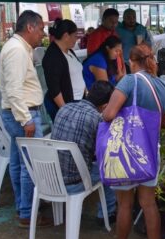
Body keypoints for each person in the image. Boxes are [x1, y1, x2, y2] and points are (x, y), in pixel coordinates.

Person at [102, 43, 165, 239]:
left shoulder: (129, 82)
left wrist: (107, 108)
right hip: (149, 151)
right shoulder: (162, 86)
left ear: (131, 62)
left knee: (124, 204)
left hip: (125, 151)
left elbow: (109, 115)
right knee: (148, 204)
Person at [0, 10, 52, 228]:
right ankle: (28, 212)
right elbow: (14, 90)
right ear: (30, 27)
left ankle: (24, 208)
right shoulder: (17, 51)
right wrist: (26, 119)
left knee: (19, 162)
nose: (43, 33)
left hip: (21, 113)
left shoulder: (19, 48)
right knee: (30, 165)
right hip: (24, 113)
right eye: (40, 28)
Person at [50, 80, 117, 223]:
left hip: (51, 178)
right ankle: (108, 214)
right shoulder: (97, 119)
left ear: (88, 93)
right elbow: (103, 154)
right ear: (105, 105)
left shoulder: (64, 108)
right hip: (74, 183)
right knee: (110, 166)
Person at [42, 19, 85, 121]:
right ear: (66, 36)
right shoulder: (53, 56)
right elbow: (54, 89)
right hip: (66, 104)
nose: (76, 39)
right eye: (75, 36)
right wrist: (65, 110)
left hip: (78, 100)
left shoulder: (69, 51)